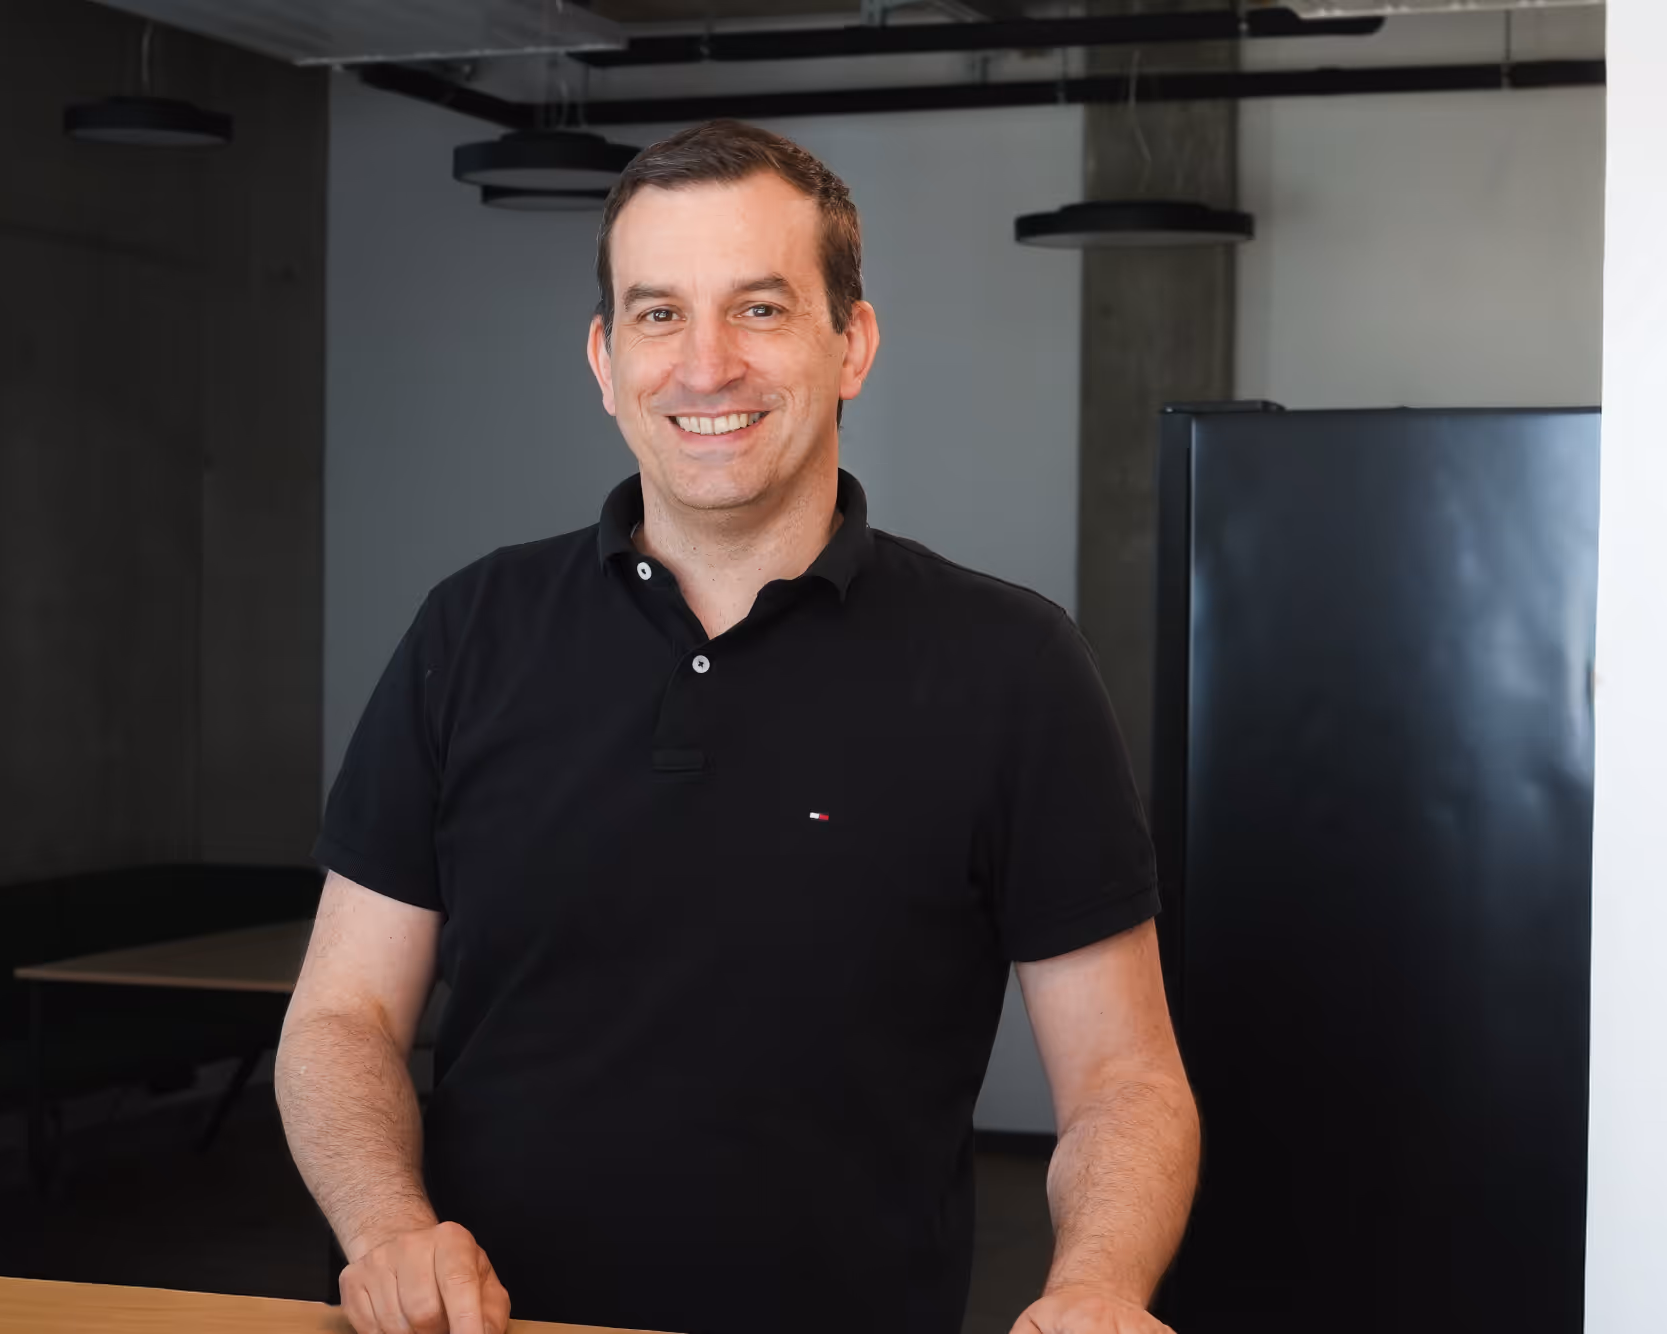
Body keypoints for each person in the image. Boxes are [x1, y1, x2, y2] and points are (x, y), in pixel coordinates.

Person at [276, 119, 1198, 1334]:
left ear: (849, 342)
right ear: (604, 358)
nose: (704, 365)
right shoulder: (472, 628)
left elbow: (1124, 1079)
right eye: (658, 313)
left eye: (758, 309)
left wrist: (1095, 1284)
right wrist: (388, 1226)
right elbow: (341, 1017)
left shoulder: (1012, 663)